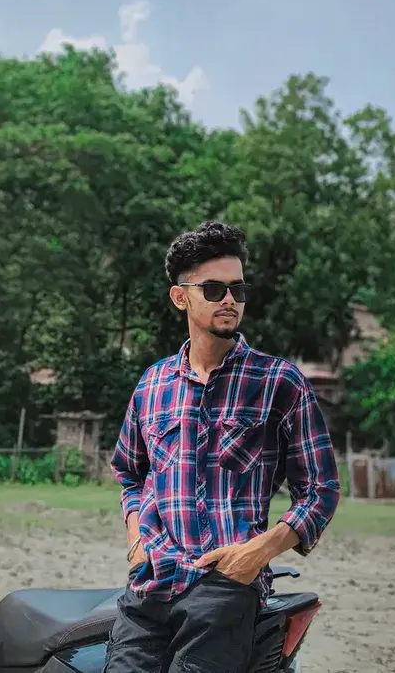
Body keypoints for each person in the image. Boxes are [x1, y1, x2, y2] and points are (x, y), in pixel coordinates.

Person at [107, 220, 340, 673]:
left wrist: (255, 553)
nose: (230, 299)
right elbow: (130, 473)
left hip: (225, 586)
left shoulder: (278, 381)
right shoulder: (152, 384)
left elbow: (321, 489)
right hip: (150, 585)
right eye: (214, 289)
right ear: (181, 297)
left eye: (238, 289)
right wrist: (137, 542)